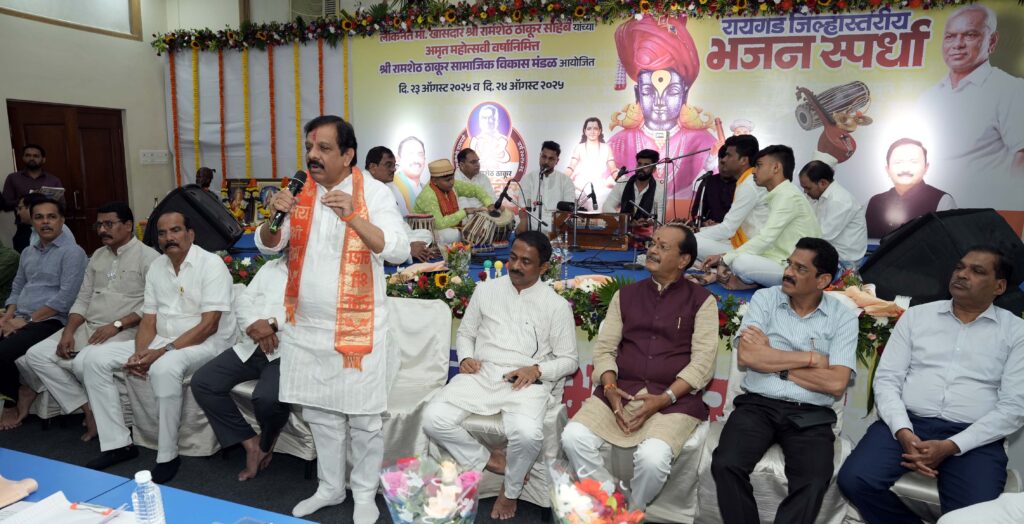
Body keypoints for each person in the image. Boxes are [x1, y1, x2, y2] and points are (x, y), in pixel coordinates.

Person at [257, 115, 409, 522]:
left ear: (347, 154)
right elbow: (269, 246)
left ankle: (364, 493)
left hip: (358, 330)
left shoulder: (373, 192)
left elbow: (397, 249)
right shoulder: (299, 191)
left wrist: (354, 217)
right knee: (321, 415)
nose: (313, 155)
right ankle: (329, 487)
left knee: (363, 419)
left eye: (324, 148)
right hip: (307, 328)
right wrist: (274, 216)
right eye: (310, 147)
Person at [838, 246, 1024, 523]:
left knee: (976, 515)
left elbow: (1014, 407)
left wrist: (952, 445)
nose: (962, 274)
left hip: (974, 436)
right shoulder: (917, 317)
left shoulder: (1016, 332)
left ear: (999, 286)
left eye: (977, 271)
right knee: (855, 479)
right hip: (908, 424)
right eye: (959, 267)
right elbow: (887, 380)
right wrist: (903, 431)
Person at [422, 231, 578, 520]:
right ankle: (489, 460)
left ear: (544, 267)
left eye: (526, 262)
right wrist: (466, 357)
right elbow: (466, 333)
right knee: (433, 418)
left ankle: (511, 491)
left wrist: (538, 370)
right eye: (513, 258)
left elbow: (569, 360)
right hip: (482, 374)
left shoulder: (555, 305)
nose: (516, 266)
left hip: (525, 382)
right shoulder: (486, 290)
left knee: (528, 435)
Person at [561, 223, 717, 510]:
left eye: (663, 247)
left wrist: (664, 398)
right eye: (653, 243)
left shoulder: (702, 302)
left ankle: (634, 509)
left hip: (673, 401)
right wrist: (610, 388)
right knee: (573, 437)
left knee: (653, 459)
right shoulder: (626, 296)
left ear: (683, 260)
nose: (653, 250)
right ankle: (610, 499)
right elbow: (605, 350)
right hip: (620, 391)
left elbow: (703, 364)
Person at [710, 238, 858, 524]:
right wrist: (812, 358)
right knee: (726, 464)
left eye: (800, 269)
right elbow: (749, 356)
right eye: (789, 264)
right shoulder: (765, 299)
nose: (788, 272)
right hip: (758, 405)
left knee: (814, 480)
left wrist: (777, 365)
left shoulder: (843, 318)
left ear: (822, 280)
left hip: (811, 413)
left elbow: (836, 383)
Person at [82, 211, 236, 483]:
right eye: (162, 233)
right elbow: (149, 320)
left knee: (164, 368)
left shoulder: (211, 264)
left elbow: (209, 325)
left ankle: (167, 456)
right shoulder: (157, 267)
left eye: (175, 230)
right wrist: (139, 354)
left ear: (190, 234)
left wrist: (161, 353)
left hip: (207, 344)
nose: (168, 238)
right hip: (163, 340)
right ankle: (118, 444)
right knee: (93, 359)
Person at [18, 202, 158, 440]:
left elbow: (151, 306)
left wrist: (117, 325)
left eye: (109, 224)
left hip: (126, 331)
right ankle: (87, 408)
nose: (102, 230)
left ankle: (106, 422)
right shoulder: (97, 257)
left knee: (85, 361)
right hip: (89, 327)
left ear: (128, 226)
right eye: (99, 225)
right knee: (35, 356)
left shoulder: (149, 258)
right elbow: (82, 298)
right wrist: (68, 331)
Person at [191, 256, 291, 482]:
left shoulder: (318, 269)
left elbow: (313, 312)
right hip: (252, 345)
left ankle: (267, 442)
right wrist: (256, 326)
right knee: (204, 382)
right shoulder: (270, 267)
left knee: (267, 399)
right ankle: (251, 443)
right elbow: (244, 301)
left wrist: (272, 325)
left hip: (289, 351)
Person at [917, 4, 1024, 210]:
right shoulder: (928, 97)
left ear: (992, 41)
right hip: (933, 213)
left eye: (970, 35)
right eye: (950, 36)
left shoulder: (1011, 89)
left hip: (984, 214)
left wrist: (1013, 212)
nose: (958, 44)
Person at [607, 14, 717, 199]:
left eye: (672, 91)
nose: (659, 101)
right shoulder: (619, 142)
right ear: (637, 94)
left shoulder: (703, 142)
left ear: (685, 94)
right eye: (648, 91)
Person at [0, 197, 87, 430]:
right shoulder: (28, 252)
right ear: (32, 222)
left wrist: (26, 321)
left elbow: (65, 298)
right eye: (39, 217)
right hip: (21, 317)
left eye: (51, 217)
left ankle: (12, 402)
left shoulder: (73, 253)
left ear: (62, 220)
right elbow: (17, 287)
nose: (45, 222)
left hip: (51, 320)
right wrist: (8, 317)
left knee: (3, 353)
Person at [701, 145, 821, 289]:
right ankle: (748, 281)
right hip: (776, 258)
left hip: (797, 268)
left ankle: (749, 282)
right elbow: (766, 242)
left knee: (740, 262)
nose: (753, 171)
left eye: (759, 165)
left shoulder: (788, 197)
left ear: (776, 168)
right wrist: (724, 256)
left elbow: (765, 238)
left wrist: (724, 259)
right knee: (736, 258)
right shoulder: (779, 194)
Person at [693, 134, 768, 261]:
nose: (724, 160)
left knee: (691, 242)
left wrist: (693, 234)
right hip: (739, 241)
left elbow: (728, 229)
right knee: (694, 240)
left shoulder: (750, 183)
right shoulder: (747, 180)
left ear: (743, 160)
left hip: (751, 248)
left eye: (729, 155)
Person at [865, 138, 955, 239]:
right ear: (888, 170)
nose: (905, 168)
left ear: (926, 168)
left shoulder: (942, 201)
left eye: (913, 161)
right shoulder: (872, 203)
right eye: (898, 162)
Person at [365, 146, 437, 262]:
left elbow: (398, 221)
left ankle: (409, 250)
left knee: (425, 234)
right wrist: (408, 248)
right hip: (375, 241)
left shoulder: (389, 186)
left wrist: (406, 238)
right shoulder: (371, 188)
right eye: (388, 165)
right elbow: (378, 228)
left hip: (391, 235)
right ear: (373, 167)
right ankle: (405, 253)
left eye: (394, 165)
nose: (393, 169)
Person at [798, 161, 867, 267]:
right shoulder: (818, 195)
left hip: (844, 261)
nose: (805, 192)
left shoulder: (839, 200)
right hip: (827, 252)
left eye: (808, 188)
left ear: (823, 183)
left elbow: (821, 236)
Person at [412, 159, 493, 246]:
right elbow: (439, 224)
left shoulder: (451, 186)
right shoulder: (428, 195)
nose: (451, 182)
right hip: (426, 234)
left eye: (452, 178)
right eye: (447, 180)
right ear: (434, 181)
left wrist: (489, 204)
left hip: (448, 228)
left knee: (482, 224)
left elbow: (475, 189)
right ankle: (463, 238)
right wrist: (465, 212)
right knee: (450, 234)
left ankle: (462, 238)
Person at [2, 144, 64, 253]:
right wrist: (26, 201)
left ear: (43, 159)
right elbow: (5, 204)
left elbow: (62, 205)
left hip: (49, 225)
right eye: (28, 155)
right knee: (26, 259)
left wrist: (43, 200)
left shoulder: (53, 180)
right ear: (23, 158)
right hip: (24, 228)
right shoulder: (13, 178)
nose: (31, 158)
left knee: (53, 257)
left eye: (36, 156)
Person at [515, 141, 575, 235]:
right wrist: (524, 227)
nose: (546, 162)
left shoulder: (565, 181)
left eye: (551, 159)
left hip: (556, 231)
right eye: (544, 157)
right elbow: (523, 208)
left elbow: (568, 210)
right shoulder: (528, 178)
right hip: (532, 230)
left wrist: (554, 233)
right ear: (540, 156)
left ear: (557, 161)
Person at [565, 117, 618, 209]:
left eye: (595, 128)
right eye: (589, 128)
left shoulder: (606, 148)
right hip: (581, 185)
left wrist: (621, 182)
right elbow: (571, 167)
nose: (592, 131)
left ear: (600, 131)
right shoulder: (579, 147)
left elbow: (613, 170)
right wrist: (562, 178)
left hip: (600, 185)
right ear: (585, 131)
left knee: (610, 195)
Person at [603, 149, 665, 225]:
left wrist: (646, 222)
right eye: (639, 164)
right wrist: (625, 220)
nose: (641, 168)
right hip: (623, 229)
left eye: (646, 165)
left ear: (654, 169)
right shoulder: (622, 183)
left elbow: (659, 217)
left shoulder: (660, 189)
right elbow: (607, 207)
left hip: (646, 231)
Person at [689, 145, 737, 227]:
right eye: (722, 163)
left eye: (727, 164)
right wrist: (704, 222)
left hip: (734, 229)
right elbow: (696, 212)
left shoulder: (742, 182)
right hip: (710, 229)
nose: (724, 168)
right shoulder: (708, 181)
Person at [469, 104, 512, 172]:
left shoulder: (502, 140)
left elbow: (505, 158)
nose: (488, 121)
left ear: (497, 121)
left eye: (491, 118)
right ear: (480, 121)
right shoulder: (475, 141)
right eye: (484, 118)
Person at [391, 136, 426, 215]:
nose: (416, 160)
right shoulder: (392, 187)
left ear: (425, 159)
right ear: (398, 159)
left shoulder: (426, 189)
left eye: (420, 155)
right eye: (410, 154)